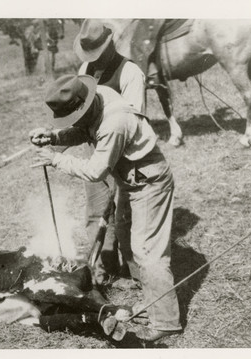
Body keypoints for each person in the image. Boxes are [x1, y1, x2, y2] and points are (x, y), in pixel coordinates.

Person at [29, 75, 181, 341]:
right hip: (130, 177)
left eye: (73, 117)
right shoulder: (94, 98)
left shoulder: (115, 121)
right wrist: (54, 136)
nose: (73, 123)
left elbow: (96, 171)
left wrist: (56, 159)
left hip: (149, 181)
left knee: (147, 251)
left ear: (84, 107)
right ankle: (152, 301)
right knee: (126, 233)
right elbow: (84, 130)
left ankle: (166, 321)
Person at [73, 19, 146, 284]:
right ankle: (102, 272)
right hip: (96, 151)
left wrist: (115, 165)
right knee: (95, 213)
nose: (95, 59)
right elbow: (80, 115)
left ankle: (136, 274)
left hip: (124, 156)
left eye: (99, 52)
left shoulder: (130, 73)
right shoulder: (85, 69)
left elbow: (135, 124)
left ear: (110, 42)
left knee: (124, 217)